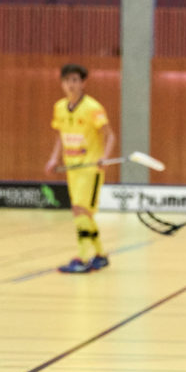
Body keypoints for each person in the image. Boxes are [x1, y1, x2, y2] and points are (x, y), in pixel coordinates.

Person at [44, 64, 116, 273]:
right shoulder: (59, 107)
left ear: (83, 83)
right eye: (67, 80)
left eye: (75, 80)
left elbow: (110, 136)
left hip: (90, 169)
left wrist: (104, 157)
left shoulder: (93, 108)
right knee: (84, 214)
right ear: (62, 84)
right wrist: (53, 158)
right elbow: (61, 135)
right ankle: (100, 255)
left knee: (79, 210)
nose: (71, 85)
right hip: (72, 169)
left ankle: (83, 258)